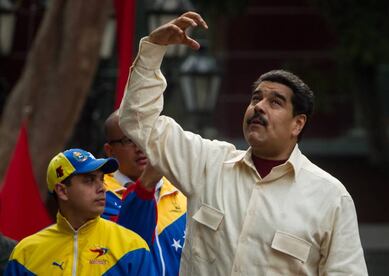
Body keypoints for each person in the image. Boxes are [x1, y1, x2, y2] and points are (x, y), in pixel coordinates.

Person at [118, 11, 368, 275]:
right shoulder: (208, 164)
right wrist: (153, 51)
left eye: (275, 102)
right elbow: (138, 121)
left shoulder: (330, 197)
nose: (259, 106)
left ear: (298, 124)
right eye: (255, 98)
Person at [5, 148, 155, 275]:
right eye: (89, 180)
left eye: (101, 179)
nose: (102, 188)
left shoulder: (132, 246)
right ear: (62, 191)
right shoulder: (25, 254)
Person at [104, 110, 187, 276]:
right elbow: (127, 248)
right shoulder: (99, 195)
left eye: (147, 135)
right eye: (130, 139)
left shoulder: (182, 190)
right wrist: (146, 185)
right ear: (110, 151)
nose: (141, 146)